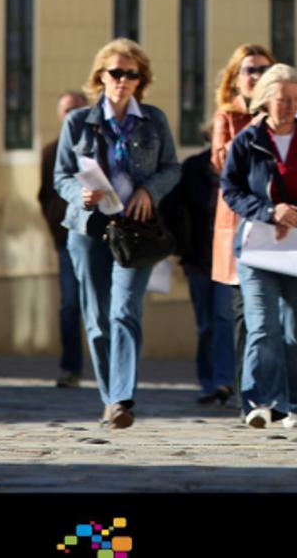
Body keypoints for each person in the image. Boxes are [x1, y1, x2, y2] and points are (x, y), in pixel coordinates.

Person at [54, 39, 181, 429]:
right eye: (116, 73)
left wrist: (149, 191)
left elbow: (171, 167)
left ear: (140, 80)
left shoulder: (154, 120)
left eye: (131, 74)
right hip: (90, 228)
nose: (122, 80)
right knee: (97, 317)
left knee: (125, 310)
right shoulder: (78, 122)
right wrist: (80, 194)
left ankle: (123, 397)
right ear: (101, 76)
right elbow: (61, 176)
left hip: (136, 231)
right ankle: (110, 399)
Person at [221, 65, 297, 429]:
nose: (288, 106)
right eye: (281, 99)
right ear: (264, 100)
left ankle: (293, 403)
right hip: (258, 245)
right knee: (262, 327)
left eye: (295, 99)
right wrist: (270, 211)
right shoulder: (247, 140)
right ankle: (257, 402)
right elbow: (231, 189)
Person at [209, 45, 276, 382]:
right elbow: (220, 162)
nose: (257, 76)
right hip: (240, 223)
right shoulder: (227, 117)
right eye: (250, 70)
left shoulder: (282, 112)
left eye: (264, 70)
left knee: (273, 311)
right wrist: (256, 125)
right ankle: (243, 388)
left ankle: (271, 384)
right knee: (242, 312)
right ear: (235, 79)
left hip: (276, 221)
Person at [160, 123, 237, 405]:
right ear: (209, 137)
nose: (224, 141)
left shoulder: (241, 166)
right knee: (205, 324)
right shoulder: (193, 168)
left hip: (230, 259)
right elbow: (170, 207)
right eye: (219, 135)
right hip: (198, 258)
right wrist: (173, 243)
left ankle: (224, 380)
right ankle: (208, 381)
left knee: (224, 318)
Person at [38, 90, 88, 389]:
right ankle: (71, 367)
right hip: (66, 238)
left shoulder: (97, 146)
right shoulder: (50, 152)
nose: (73, 116)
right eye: (68, 110)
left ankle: (110, 369)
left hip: (96, 235)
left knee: (102, 305)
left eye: (78, 109)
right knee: (70, 304)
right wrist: (56, 227)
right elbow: (45, 195)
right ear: (60, 116)